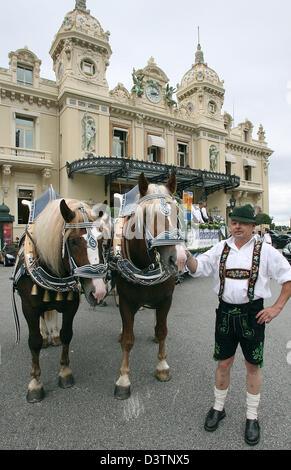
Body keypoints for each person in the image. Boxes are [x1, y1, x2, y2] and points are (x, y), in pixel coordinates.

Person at [183, 204, 291, 446]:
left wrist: (276, 308)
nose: (237, 226)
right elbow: (198, 268)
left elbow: (288, 277)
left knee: (253, 366)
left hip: (253, 314)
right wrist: (185, 254)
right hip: (224, 313)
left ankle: (252, 417)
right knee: (223, 363)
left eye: (242, 223)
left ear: (253, 227)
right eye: (234, 222)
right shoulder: (221, 247)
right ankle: (218, 408)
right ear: (230, 224)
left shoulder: (266, 250)